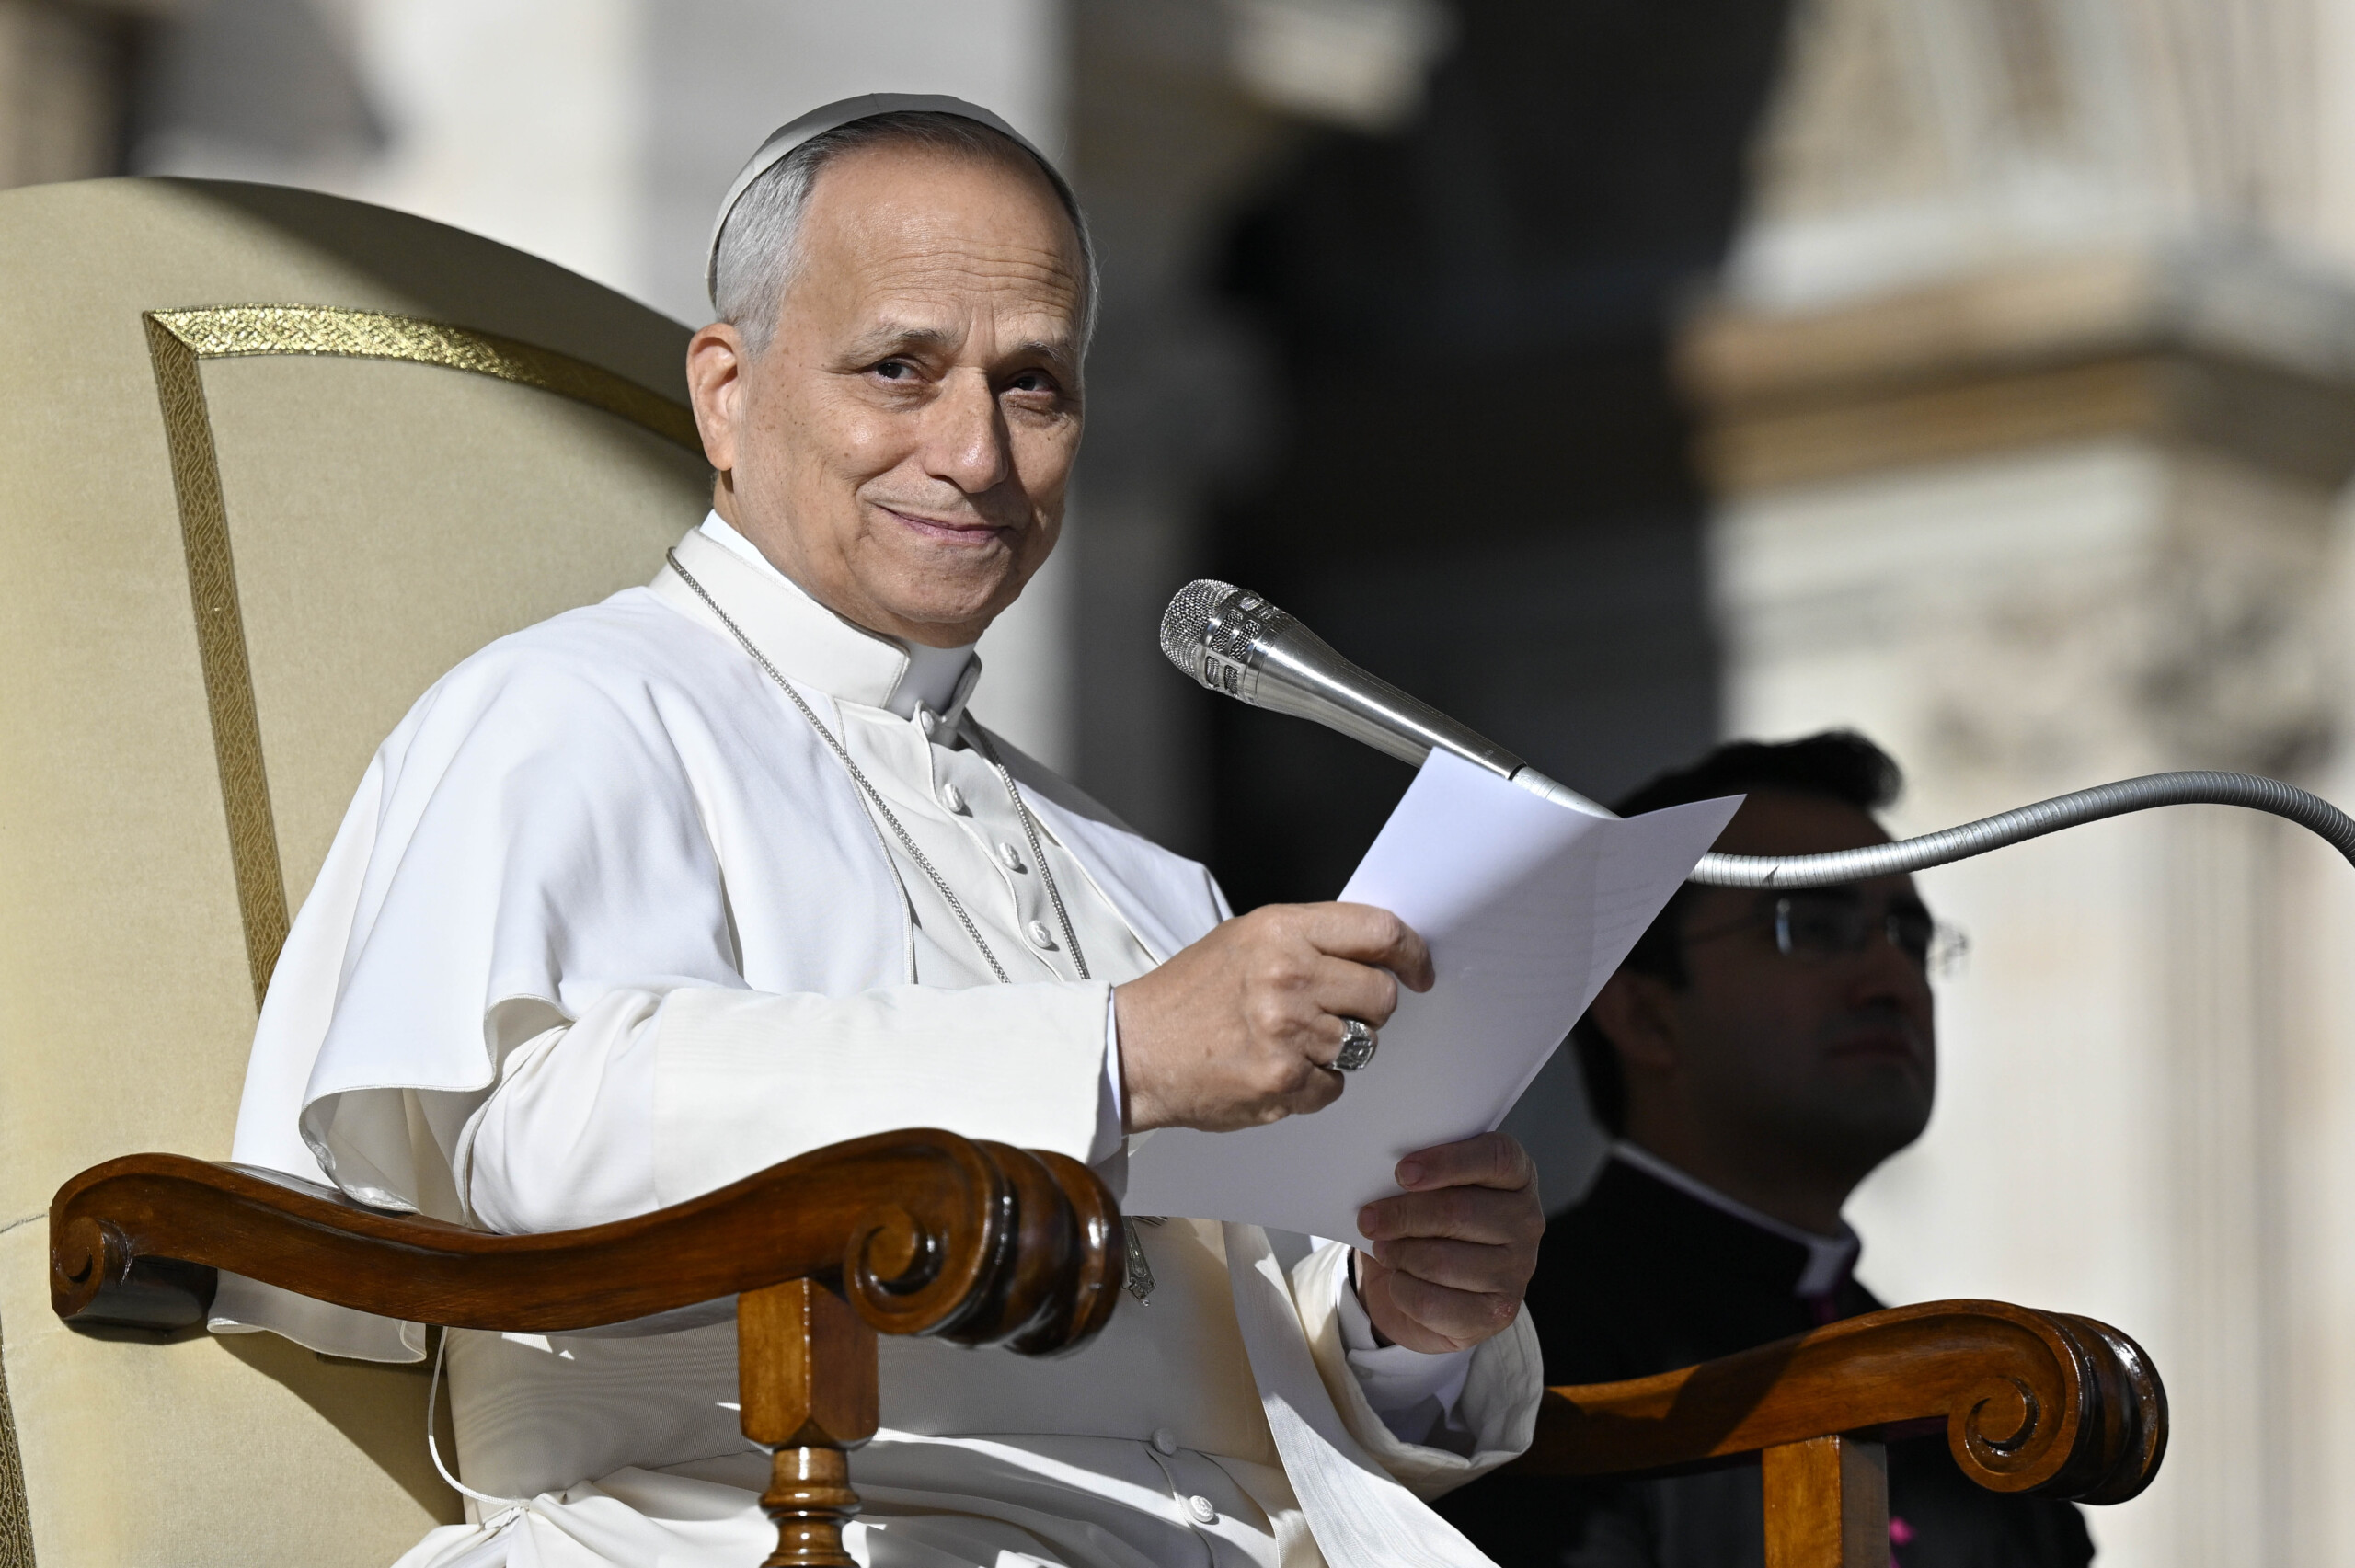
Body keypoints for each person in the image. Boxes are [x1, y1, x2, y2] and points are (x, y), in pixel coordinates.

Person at [211, 94, 1546, 1568]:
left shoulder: (1141, 873)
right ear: (728, 393)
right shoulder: (568, 707)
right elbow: (528, 1140)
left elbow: (1254, 1371)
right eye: (901, 370)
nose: (975, 452)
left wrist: (1406, 1314)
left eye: (1033, 386)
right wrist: (1108, 1055)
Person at [1439, 732, 2094, 1568]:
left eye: (1908, 936)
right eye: (1812, 925)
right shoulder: (1510, 1347)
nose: (1891, 977)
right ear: (1642, 1013)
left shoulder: (1982, 1387)